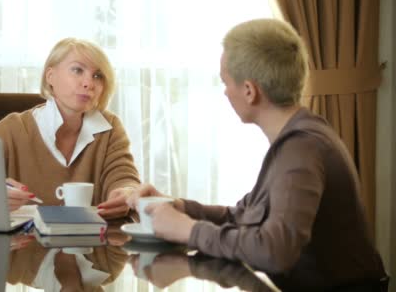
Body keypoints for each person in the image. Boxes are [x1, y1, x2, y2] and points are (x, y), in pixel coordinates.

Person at [126, 19, 388, 290]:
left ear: (250, 91)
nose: (225, 92)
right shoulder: (298, 138)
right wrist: (179, 207)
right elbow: (245, 215)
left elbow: (274, 252)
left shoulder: (301, 150)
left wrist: (188, 231)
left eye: (225, 82)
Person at [0, 37, 140, 219]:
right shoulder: (13, 128)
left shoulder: (110, 127)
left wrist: (127, 192)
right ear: (50, 76)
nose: (89, 83)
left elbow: (123, 176)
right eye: (77, 70)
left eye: (97, 76)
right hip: (23, 243)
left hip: (89, 244)